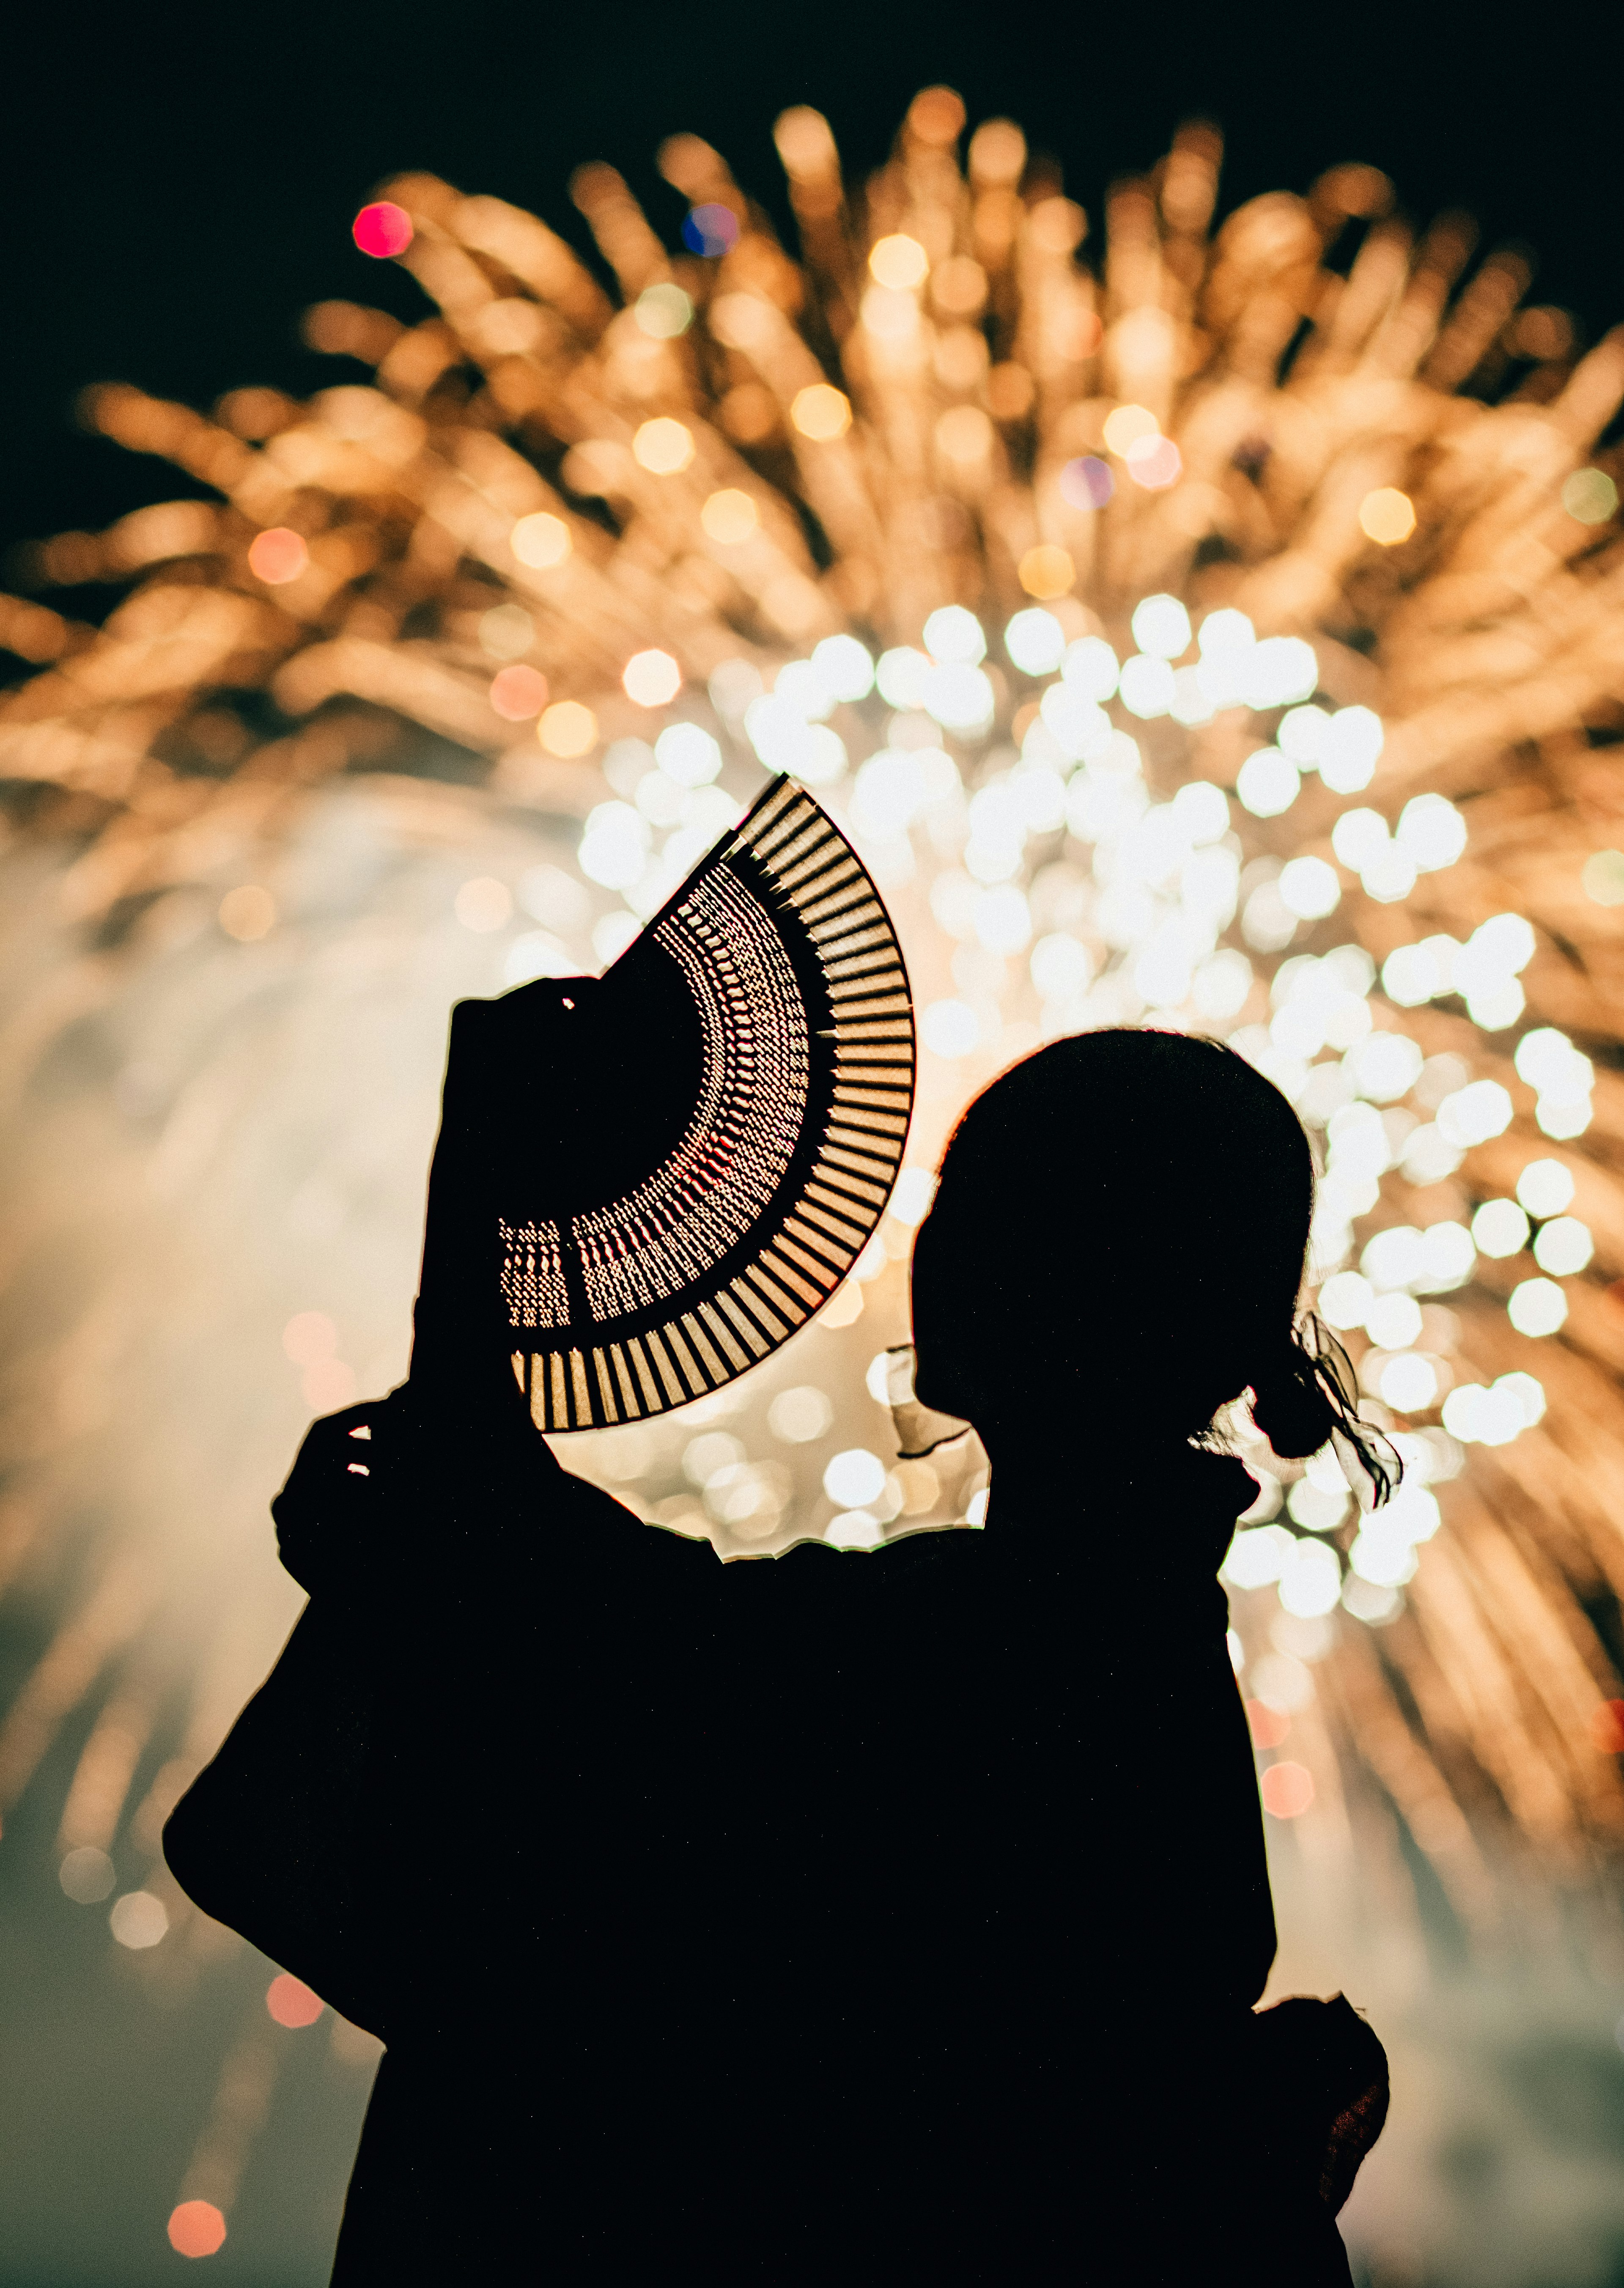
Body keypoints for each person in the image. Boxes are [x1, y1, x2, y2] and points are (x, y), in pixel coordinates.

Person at [167, 791, 1388, 2281]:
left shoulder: (995, 1656)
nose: (926, 1241)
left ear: (1073, 1279)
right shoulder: (1084, 1646)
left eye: (969, 1199)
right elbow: (581, 1606)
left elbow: (578, 1653)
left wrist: (475, 1219)